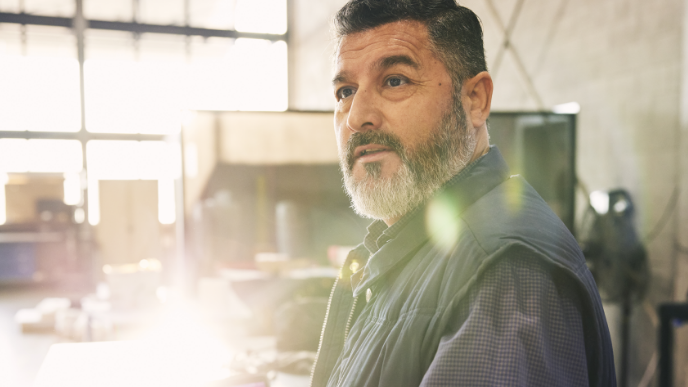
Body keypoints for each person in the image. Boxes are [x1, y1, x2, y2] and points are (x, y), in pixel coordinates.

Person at [310, 0, 616, 386]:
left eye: (395, 81)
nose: (357, 116)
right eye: (345, 91)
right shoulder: (411, 251)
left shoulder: (505, 270)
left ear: (475, 99)